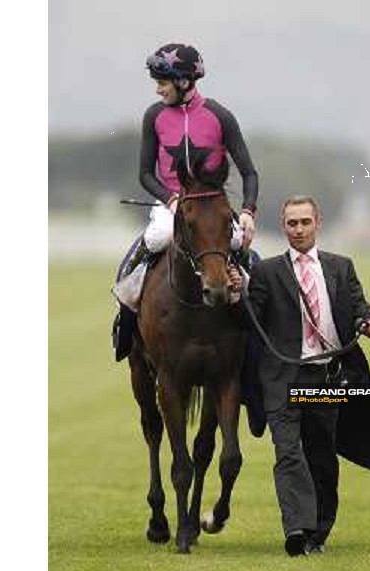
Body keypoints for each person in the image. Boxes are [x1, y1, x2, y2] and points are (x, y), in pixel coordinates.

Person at [228, 195, 370, 556]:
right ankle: (296, 530)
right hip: (282, 379)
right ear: (283, 227)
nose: (298, 229)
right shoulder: (266, 272)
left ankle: (319, 531)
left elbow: (360, 306)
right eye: (291, 223)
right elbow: (249, 322)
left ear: (318, 223)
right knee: (288, 453)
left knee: (321, 456)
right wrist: (238, 296)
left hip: (325, 378)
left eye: (304, 222)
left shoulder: (341, 267)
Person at [112, 42, 259, 361]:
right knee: (157, 236)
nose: (157, 90)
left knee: (245, 253)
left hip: (213, 208)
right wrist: (171, 199)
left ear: (183, 81)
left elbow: (249, 172)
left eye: (162, 83)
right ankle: (124, 324)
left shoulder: (220, 115)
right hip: (170, 205)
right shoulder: (154, 116)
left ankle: (261, 335)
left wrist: (247, 212)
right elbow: (144, 174)